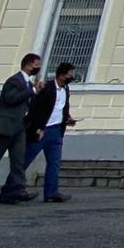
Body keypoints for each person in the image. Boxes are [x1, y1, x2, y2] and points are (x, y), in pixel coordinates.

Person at [0, 53, 42, 206]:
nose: (38, 68)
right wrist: (32, 91)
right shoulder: (14, 80)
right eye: (36, 65)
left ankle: (15, 191)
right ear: (28, 65)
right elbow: (11, 98)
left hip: (19, 128)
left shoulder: (27, 83)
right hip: (5, 127)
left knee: (18, 161)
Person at [24, 62, 78, 203]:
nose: (71, 77)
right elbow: (35, 109)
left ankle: (51, 192)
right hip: (42, 130)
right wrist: (37, 128)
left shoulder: (65, 89)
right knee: (25, 160)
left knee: (54, 163)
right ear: (61, 75)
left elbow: (62, 107)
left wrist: (67, 118)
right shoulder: (47, 88)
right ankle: (11, 189)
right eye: (69, 74)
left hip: (56, 130)